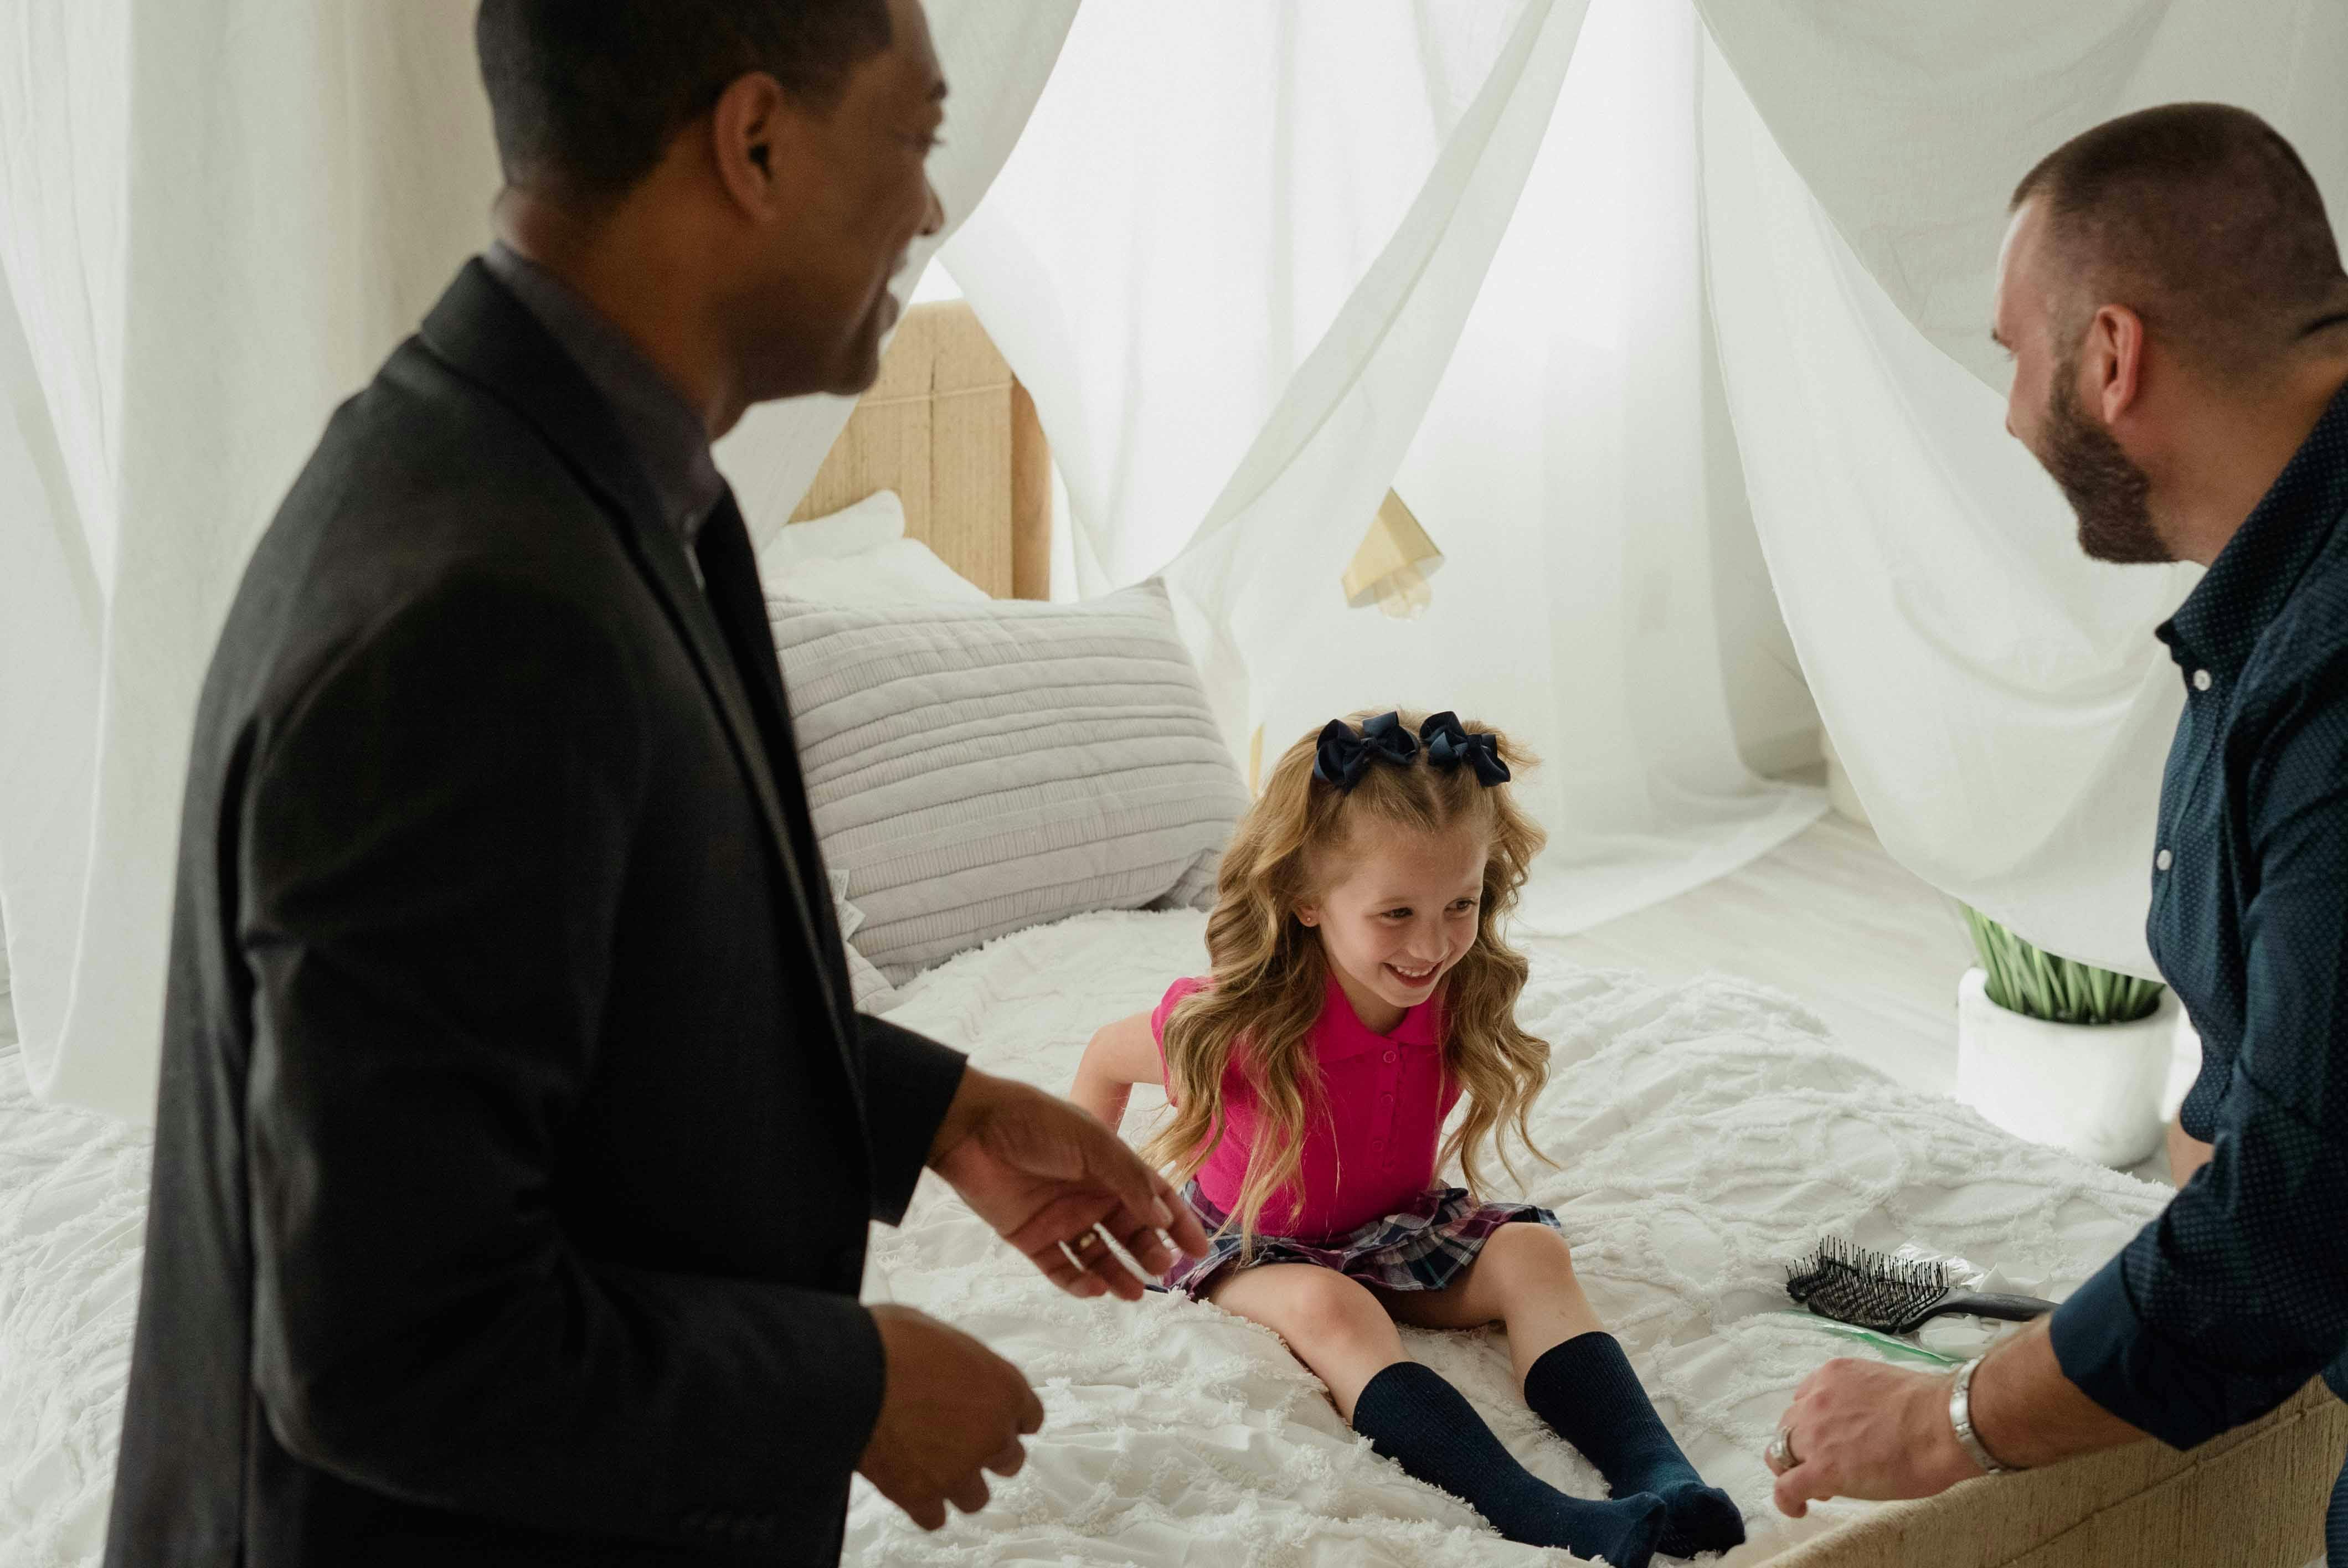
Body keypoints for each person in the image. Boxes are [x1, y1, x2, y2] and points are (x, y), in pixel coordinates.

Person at [101, 2, 1207, 1563]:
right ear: (754, 140)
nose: (931, 205)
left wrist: (930, 1108)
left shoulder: (572, 477)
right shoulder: (476, 607)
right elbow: (385, 1348)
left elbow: (587, 975)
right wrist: (849, 1385)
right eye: (916, 136)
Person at [1762, 103, 2348, 1561]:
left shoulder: (2334, 670)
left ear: (2110, 355)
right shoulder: (2282, 607)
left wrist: (1939, 1422)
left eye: (2016, 355)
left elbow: (2288, 1237)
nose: (2013, 412)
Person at [1071, 710, 1746, 1568]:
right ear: (1307, 899)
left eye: (1459, 904)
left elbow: (1451, 967)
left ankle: (1664, 1476)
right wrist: (1094, 1199)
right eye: (1396, 913)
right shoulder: (1240, 1023)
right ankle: (1545, 1514)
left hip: (1397, 1228)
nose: (1432, 944)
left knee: (1534, 1254)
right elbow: (1104, 1057)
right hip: (1254, 1244)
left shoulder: (1457, 991)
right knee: (1334, 1309)